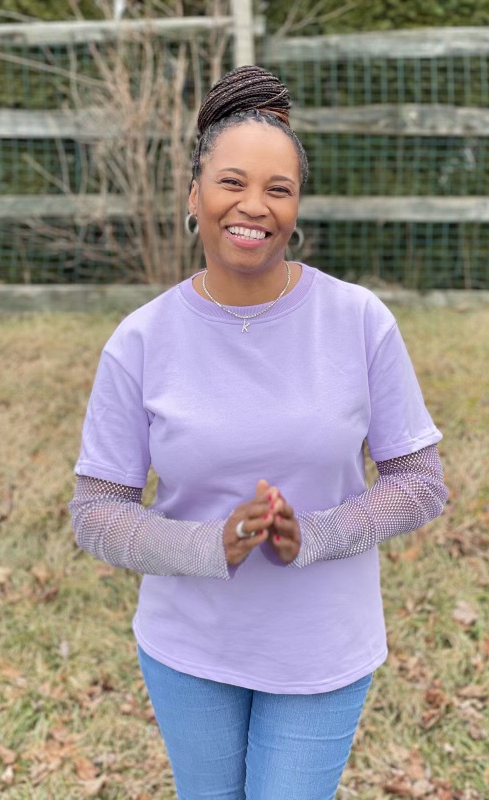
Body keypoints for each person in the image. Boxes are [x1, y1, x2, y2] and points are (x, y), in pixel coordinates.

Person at [69, 65, 448, 800]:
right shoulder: (140, 339)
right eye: (232, 183)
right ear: (194, 195)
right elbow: (95, 511)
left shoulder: (359, 321)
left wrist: (316, 534)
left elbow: (420, 483)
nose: (254, 207)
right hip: (188, 649)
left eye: (279, 189)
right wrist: (212, 544)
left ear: (297, 207)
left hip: (323, 650)